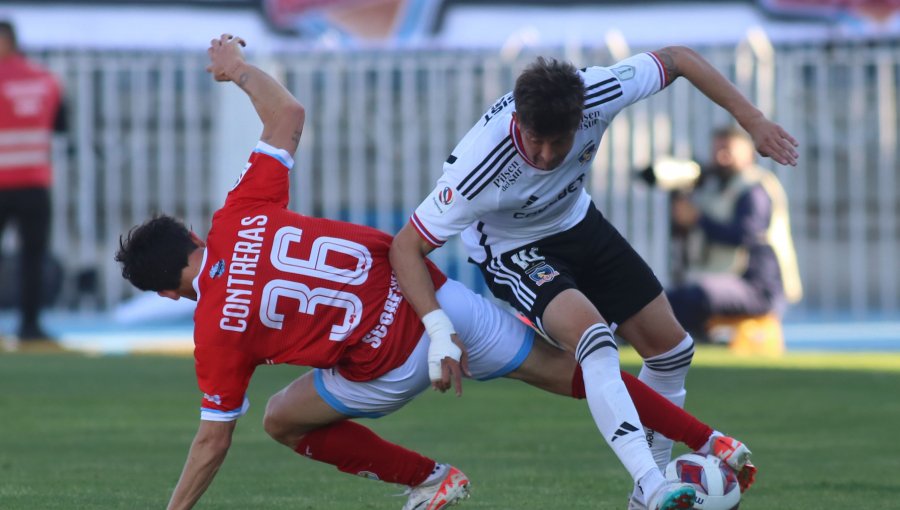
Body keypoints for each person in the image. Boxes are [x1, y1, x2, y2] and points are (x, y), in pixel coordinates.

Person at [115, 35, 755, 510]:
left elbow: (211, 445)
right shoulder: (241, 212)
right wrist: (238, 70)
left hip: (389, 363)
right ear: (196, 235)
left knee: (280, 418)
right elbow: (287, 116)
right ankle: (715, 444)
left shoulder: (214, 329)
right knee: (577, 370)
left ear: (169, 289)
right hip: (439, 300)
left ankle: (430, 477)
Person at [389, 49, 797, 509]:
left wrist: (753, 120)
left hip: (579, 224)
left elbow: (680, 59)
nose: (544, 156)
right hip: (515, 250)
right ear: (518, 119)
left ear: (580, 118)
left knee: (673, 351)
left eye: (557, 143)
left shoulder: (599, 92)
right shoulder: (477, 166)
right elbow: (404, 246)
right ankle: (650, 482)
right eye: (534, 140)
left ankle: (651, 490)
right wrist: (439, 330)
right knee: (596, 340)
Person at [666, 126, 802, 338]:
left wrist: (698, 219)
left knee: (694, 297)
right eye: (717, 150)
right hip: (727, 279)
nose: (721, 157)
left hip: (758, 286)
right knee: (672, 299)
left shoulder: (755, 187)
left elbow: (745, 234)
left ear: (749, 153)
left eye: (728, 150)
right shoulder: (716, 187)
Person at [0, 19, 66, 342]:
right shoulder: (46, 80)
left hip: (11, 182)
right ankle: (30, 326)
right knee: (32, 257)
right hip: (34, 181)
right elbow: (61, 125)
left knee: (32, 257)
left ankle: (29, 324)